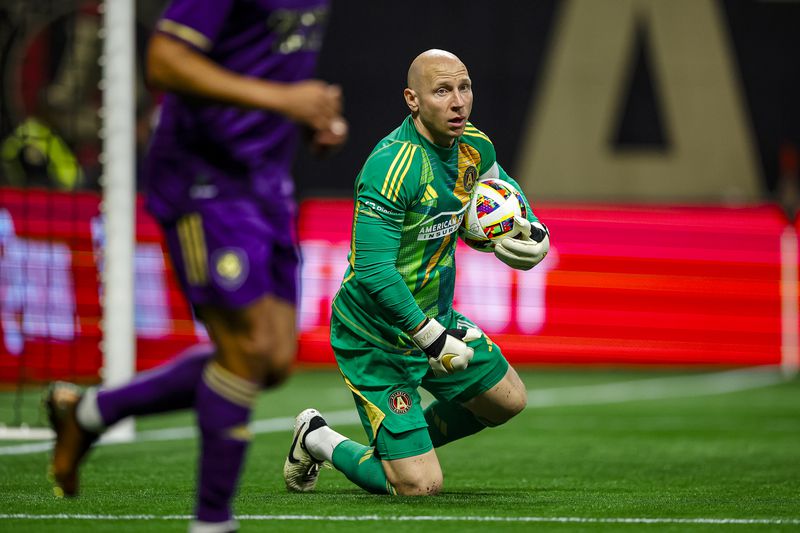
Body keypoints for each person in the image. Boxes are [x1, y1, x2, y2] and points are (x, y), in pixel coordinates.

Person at [45, 0, 347, 530]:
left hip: (265, 180)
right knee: (246, 347)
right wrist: (286, 100)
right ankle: (212, 522)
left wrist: (309, 117)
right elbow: (164, 59)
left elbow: (266, 61)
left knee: (274, 360)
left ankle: (89, 413)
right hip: (202, 176)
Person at [283, 49, 549, 496]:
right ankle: (317, 437)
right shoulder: (391, 166)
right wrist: (429, 338)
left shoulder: (475, 147)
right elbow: (371, 269)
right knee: (418, 487)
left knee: (508, 401)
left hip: (437, 319)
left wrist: (527, 227)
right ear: (412, 99)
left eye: (464, 88)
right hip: (376, 335)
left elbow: (498, 192)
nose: (458, 101)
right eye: (442, 91)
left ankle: (403, 447)